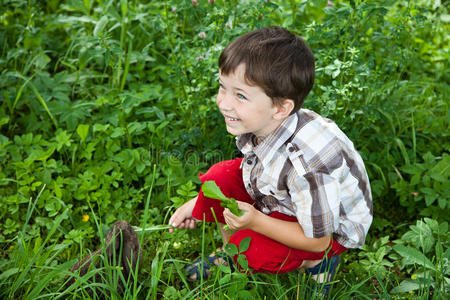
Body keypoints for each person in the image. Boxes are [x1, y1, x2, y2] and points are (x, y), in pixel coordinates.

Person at [168, 26, 373, 296]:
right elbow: (261, 171)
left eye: (240, 95)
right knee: (219, 176)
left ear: (281, 107)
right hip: (289, 201)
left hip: (326, 232)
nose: (224, 103)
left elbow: (318, 239)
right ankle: (232, 253)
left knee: (253, 246)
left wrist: (255, 221)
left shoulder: (307, 167)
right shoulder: (270, 121)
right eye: (222, 87)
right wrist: (197, 203)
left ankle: (318, 266)